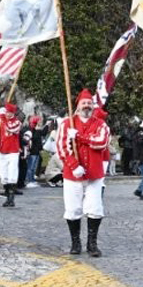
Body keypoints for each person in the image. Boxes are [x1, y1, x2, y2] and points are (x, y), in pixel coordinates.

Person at [57, 90, 110, 256]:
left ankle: (92, 244)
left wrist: (80, 137)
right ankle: (75, 243)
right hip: (73, 175)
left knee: (95, 208)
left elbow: (101, 142)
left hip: (94, 174)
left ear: (93, 106)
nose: (86, 106)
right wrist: (73, 166)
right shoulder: (67, 123)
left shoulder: (101, 124)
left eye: (89, 103)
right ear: (78, 106)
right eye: (84, 103)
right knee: (73, 209)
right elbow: (61, 147)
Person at [0, 104, 23, 207]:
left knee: (12, 175)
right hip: (1, 151)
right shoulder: (0, 121)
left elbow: (11, 128)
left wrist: (3, 118)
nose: (8, 114)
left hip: (13, 152)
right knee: (3, 175)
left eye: (10, 112)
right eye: (7, 112)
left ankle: (11, 198)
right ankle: (7, 196)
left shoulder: (17, 122)